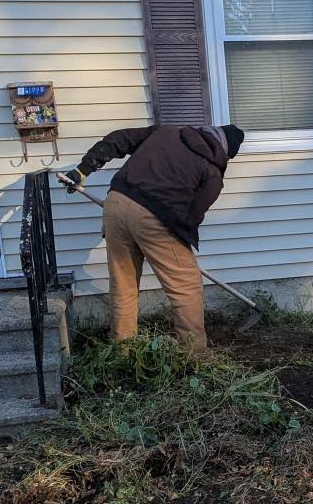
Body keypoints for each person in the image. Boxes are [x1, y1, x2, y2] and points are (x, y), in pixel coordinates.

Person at [63, 123, 245, 354]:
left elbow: (118, 138)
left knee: (123, 283)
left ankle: (123, 350)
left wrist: (83, 170)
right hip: (156, 217)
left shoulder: (167, 131)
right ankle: (194, 355)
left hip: (116, 204)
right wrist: (172, 243)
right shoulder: (212, 173)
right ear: (225, 152)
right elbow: (192, 216)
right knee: (186, 287)